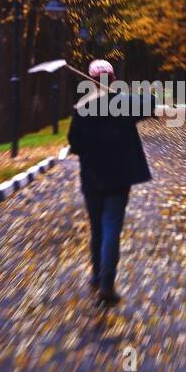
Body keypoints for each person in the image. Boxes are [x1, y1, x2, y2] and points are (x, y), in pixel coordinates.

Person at [66, 59, 153, 305]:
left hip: (93, 178)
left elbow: (75, 143)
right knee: (111, 227)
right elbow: (151, 104)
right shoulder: (123, 103)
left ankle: (96, 275)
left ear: (88, 80)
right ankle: (106, 284)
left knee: (97, 228)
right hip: (119, 177)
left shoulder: (82, 107)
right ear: (113, 78)